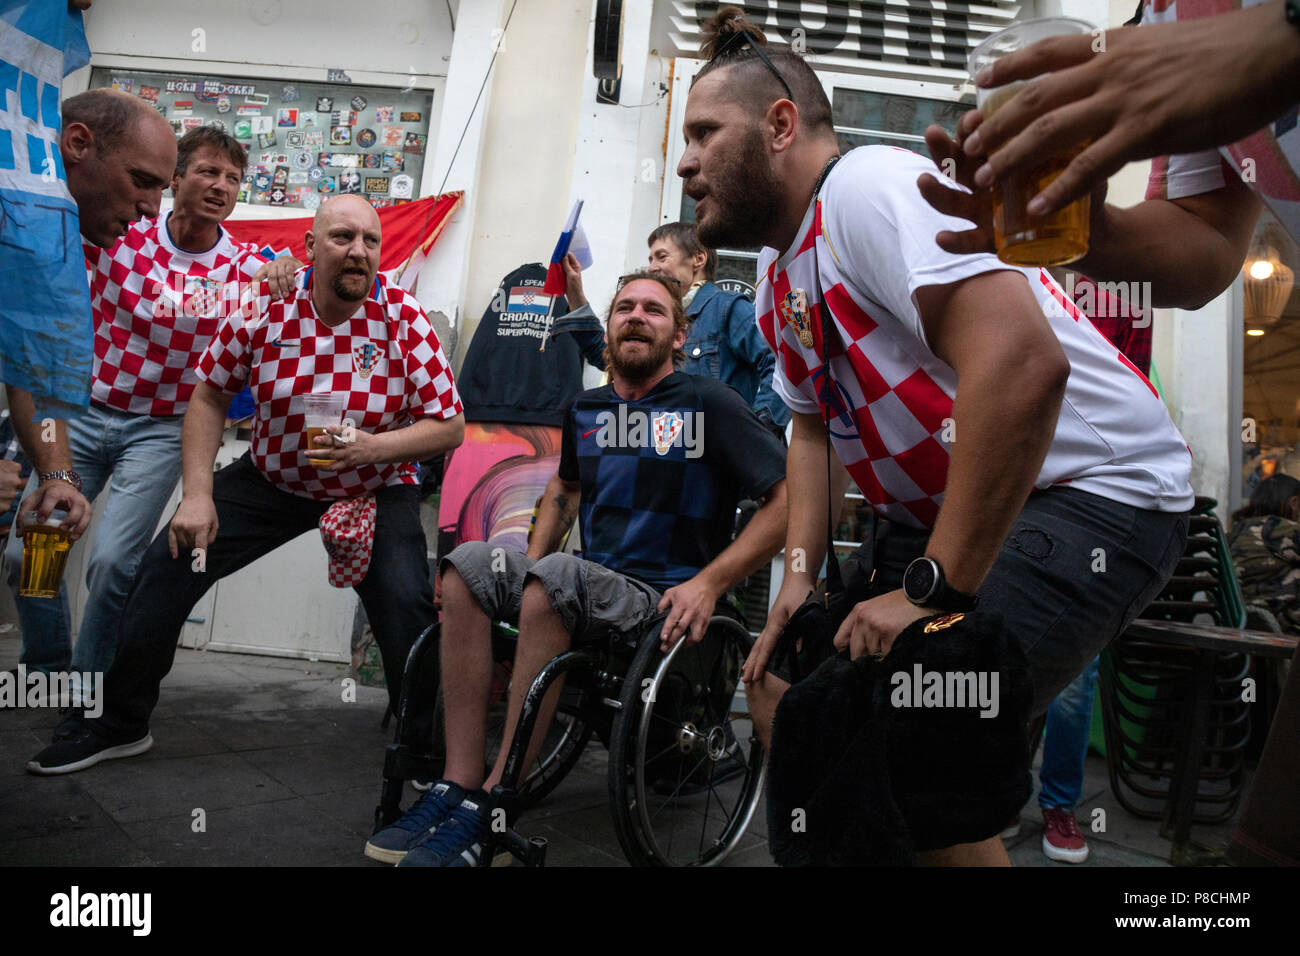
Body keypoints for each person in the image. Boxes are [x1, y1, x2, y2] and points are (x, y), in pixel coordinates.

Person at [681, 6, 1192, 866]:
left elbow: (1023, 365)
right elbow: (813, 429)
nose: (685, 162)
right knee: (799, 700)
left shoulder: (868, 187)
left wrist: (935, 588)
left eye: (703, 133)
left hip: (1098, 496)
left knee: (902, 742)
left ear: (780, 125)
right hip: (949, 514)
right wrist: (798, 582)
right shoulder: (775, 273)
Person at [25, 195, 465, 775]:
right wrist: (197, 496)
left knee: (406, 604)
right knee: (166, 567)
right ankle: (118, 724)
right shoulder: (264, 306)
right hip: (273, 477)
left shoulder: (403, 317)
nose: (358, 251)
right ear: (310, 247)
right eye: (342, 237)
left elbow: (450, 425)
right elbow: (208, 396)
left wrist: (371, 448)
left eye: (370, 241)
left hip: (373, 483)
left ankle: (424, 755)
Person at [364, 272, 787, 867]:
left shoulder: (708, 403)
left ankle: (495, 804)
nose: (636, 316)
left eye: (654, 310)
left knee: (557, 580)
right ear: (607, 329)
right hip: (587, 585)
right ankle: (458, 783)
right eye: (625, 308)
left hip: (664, 598)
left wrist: (709, 583)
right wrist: (531, 563)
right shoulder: (586, 409)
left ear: (679, 334)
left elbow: (786, 501)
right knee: (466, 566)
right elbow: (564, 488)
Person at [3, 125, 298, 688]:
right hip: (82, 413)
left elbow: (295, 285)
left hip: (161, 431)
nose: (221, 185)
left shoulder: (244, 267)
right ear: (175, 179)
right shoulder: (121, 234)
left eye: (233, 178)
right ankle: (46, 666)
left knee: (113, 564)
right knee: (31, 550)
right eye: (208, 171)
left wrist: (284, 267)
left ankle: (88, 691)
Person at [647, 222, 789, 434]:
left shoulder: (727, 307)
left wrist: (758, 430)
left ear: (698, 259)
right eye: (650, 259)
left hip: (718, 450)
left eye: (661, 256)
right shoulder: (663, 320)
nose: (652, 267)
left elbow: (781, 363)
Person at [1229, 474, 1300, 634]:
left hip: (1239, 611)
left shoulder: (1239, 528)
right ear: (1294, 503)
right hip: (1272, 615)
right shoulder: (1278, 527)